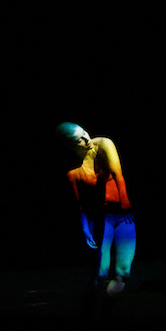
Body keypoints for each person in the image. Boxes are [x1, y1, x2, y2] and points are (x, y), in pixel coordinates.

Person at [56, 123, 136, 315]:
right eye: (79, 140)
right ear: (70, 145)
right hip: (102, 218)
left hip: (123, 215)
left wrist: (125, 201)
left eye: (85, 133)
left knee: (123, 272)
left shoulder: (103, 144)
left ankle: (107, 308)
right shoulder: (74, 172)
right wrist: (85, 228)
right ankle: (91, 311)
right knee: (101, 272)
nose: (86, 139)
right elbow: (80, 205)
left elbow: (118, 174)